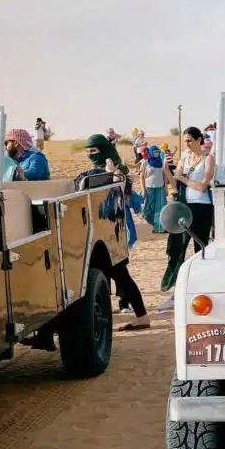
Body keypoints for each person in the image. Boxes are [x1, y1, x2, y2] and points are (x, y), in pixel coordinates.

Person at [69, 134, 151, 333]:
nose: (90, 156)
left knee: (119, 276)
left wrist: (111, 172)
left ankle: (140, 317)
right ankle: (140, 317)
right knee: (112, 277)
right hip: (95, 232)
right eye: (87, 152)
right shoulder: (89, 172)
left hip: (112, 231)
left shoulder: (119, 170)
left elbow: (120, 190)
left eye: (94, 151)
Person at [160, 127, 215, 297]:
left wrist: (183, 178)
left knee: (200, 247)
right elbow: (175, 184)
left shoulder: (208, 159)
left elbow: (202, 186)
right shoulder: (184, 157)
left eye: (190, 140)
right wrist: (166, 170)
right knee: (179, 247)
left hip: (202, 207)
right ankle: (178, 289)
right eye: (185, 141)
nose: (187, 144)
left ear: (199, 140)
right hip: (184, 206)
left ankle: (201, 286)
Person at [140, 145, 168, 233]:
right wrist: (143, 189)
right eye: (155, 152)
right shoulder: (145, 163)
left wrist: (166, 187)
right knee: (148, 208)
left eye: (158, 152)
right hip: (149, 188)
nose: (157, 154)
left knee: (160, 208)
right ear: (151, 153)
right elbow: (141, 177)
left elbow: (164, 175)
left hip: (160, 188)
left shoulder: (161, 162)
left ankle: (159, 228)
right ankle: (153, 223)